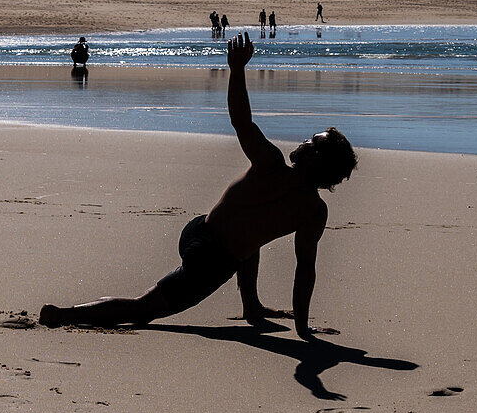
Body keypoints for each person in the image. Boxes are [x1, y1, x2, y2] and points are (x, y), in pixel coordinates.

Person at [39, 33, 357, 338]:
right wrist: (303, 329)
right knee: (142, 310)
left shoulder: (272, 165)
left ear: (318, 159)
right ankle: (63, 315)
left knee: (252, 234)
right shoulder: (311, 209)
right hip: (211, 260)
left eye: (312, 142)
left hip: (200, 230)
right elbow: (305, 271)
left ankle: (252, 306)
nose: (304, 141)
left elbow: (242, 122)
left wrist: (237, 70)